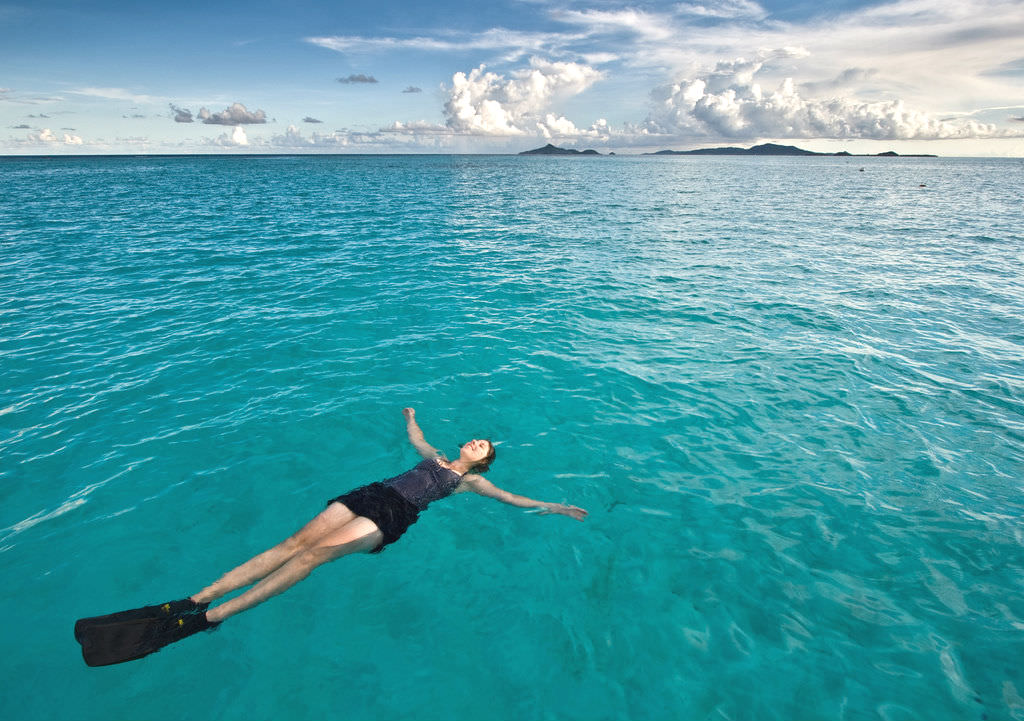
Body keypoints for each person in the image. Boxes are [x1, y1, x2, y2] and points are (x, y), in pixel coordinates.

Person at [74, 408, 588, 666]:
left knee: (313, 557)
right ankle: (191, 599)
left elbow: (512, 499)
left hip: (395, 512)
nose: (480, 442)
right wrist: (410, 418)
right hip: (370, 493)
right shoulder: (434, 457)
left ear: (483, 462)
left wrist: (555, 506)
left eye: (486, 447)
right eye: (477, 438)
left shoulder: (470, 481)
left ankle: (208, 619)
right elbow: (416, 439)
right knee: (289, 547)